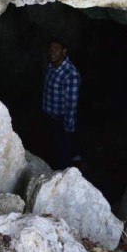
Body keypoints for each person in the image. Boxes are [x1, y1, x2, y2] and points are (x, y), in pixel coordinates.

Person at [42, 36, 81, 169]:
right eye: (51, 49)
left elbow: (71, 104)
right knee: (52, 148)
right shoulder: (51, 67)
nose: (53, 52)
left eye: (57, 49)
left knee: (61, 154)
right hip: (49, 116)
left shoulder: (71, 74)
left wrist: (68, 128)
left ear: (64, 51)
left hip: (61, 120)